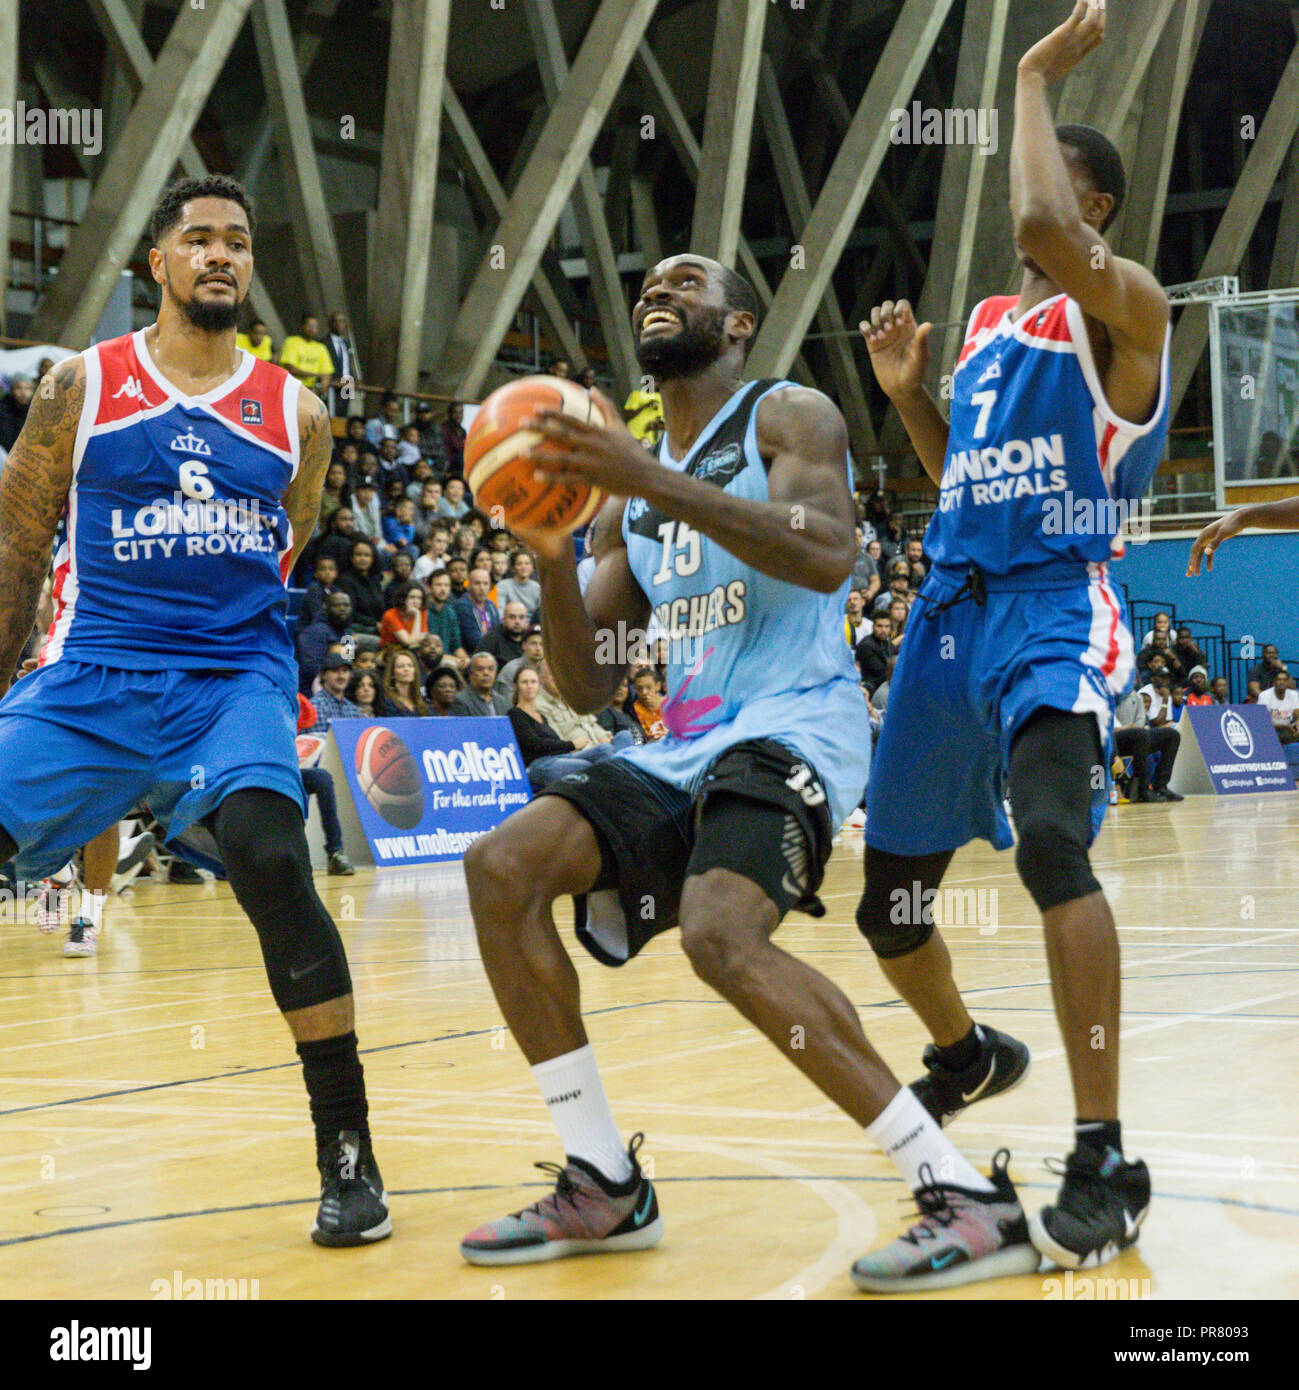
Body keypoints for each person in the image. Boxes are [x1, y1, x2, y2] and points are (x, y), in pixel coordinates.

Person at [456, 251, 1034, 1293]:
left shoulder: (788, 414)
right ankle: (603, 1179)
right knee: (499, 867)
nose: (656, 294)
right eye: (645, 289)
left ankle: (965, 1193)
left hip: (798, 729)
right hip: (680, 745)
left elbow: (824, 556)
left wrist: (649, 480)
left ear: (736, 326)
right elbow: (588, 683)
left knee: (721, 933)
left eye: (684, 284)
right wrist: (548, 555)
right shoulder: (629, 503)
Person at [0, 174, 388, 1245]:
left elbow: (289, 540)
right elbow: (19, 546)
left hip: (230, 682)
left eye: (239, 242)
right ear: (157, 264)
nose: (222, 255)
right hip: (93, 678)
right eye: (199, 239)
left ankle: (349, 1154)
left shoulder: (296, 412)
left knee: (272, 854)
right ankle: (183, 813)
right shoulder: (81, 386)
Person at [852, 4, 1168, 1273]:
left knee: (1049, 840)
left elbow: (1042, 224)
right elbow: (960, 472)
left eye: (1057, 187)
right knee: (889, 905)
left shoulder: (1127, 310)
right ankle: (968, 1052)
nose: (1028, 217)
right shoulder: (988, 326)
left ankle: (1102, 1150)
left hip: (1051, 606)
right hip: (949, 611)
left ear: (1093, 203)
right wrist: (907, 400)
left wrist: (1033, 70)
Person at [1112, 685, 1181, 803]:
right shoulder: (1105, 695)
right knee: (1141, 734)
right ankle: (1142, 789)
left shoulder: (1135, 696)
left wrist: (1133, 728)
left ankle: (1161, 786)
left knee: (1172, 735)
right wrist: (1127, 728)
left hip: (1135, 735)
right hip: (1112, 739)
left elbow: (1140, 721)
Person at [296, 591, 356, 694]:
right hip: (311, 692)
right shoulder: (315, 632)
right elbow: (310, 669)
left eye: (346, 605)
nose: (342, 608)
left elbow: (349, 661)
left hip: (341, 689)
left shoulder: (347, 633)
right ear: (326, 608)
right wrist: (334, 659)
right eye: (337, 605)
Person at [339, 538, 386, 636]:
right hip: (356, 630)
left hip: (377, 627)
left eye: (367, 555)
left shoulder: (375, 580)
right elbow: (350, 613)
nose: (363, 558)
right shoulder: (345, 581)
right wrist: (375, 624)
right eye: (358, 554)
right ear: (351, 558)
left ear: (372, 559)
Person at [278, 312, 334, 395]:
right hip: (290, 388)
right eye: (309, 325)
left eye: (314, 326)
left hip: (311, 391)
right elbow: (291, 368)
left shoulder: (321, 348)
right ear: (302, 326)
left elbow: (327, 372)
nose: (312, 328)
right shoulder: (291, 341)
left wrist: (323, 384)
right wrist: (315, 375)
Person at [453, 567, 500, 654]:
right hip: (472, 654)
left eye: (485, 584)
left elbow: (500, 631)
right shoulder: (462, 606)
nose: (482, 588)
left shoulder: (491, 605)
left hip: (492, 651)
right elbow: (474, 640)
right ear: (469, 586)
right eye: (477, 583)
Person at [450, 651, 509, 717]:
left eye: (490, 669)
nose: (486, 673)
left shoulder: (503, 701)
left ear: (496, 673)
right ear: (471, 674)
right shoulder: (461, 700)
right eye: (480, 669)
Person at [379, 581, 430, 652]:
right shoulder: (391, 615)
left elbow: (422, 637)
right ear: (403, 599)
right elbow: (408, 642)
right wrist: (417, 615)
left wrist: (417, 615)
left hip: (412, 649)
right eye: (412, 597)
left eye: (419, 598)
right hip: (390, 651)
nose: (416, 602)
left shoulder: (423, 612)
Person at [477, 601, 528, 668]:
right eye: (512, 617)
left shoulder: (529, 638)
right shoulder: (492, 638)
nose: (517, 621)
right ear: (503, 619)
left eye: (521, 617)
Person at [494, 550, 541, 620]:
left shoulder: (536, 587)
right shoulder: (503, 585)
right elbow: (500, 611)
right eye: (519, 564)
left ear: (532, 567)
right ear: (513, 567)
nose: (524, 567)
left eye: (527, 564)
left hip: (531, 626)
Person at [855, 612, 894, 694]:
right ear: (873, 627)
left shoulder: (887, 644)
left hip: (885, 685)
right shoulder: (866, 646)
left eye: (887, 626)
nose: (883, 630)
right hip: (872, 687)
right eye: (879, 626)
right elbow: (880, 672)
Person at [382, 649, 429, 716]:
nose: (406, 669)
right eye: (400, 666)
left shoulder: (421, 701)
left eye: (410, 666)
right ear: (392, 673)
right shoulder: (387, 702)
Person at [1258, 670, 1299, 743]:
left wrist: (1298, 724)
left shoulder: (1294, 695)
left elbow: (1297, 713)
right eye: (1279, 680)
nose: (1282, 682)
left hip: (1288, 729)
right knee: (1284, 735)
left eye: (1285, 680)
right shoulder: (1264, 696)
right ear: (1274, 682)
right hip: (1270, 730)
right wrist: (1285, 726)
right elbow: (1263, 722)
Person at [300, 554, 341, 628]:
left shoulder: (337, 591)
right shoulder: (314, 589)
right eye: (323, 569)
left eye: (331, 569)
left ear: (336, 573)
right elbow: (316, 616)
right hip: (310, 630)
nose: (327, 572)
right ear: (316, 573)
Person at [629, 664, 667, 741]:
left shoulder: (670, 705)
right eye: (639, 688)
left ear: (658, 686)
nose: (644, 692)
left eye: (649, 687)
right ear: (634, 689)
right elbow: (640, 740)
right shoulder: (633, 711)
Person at [0, 374, 34, 451]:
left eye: (27, 388)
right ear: (11, 390)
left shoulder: (35, 409)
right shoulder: (4, 410)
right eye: (19, 388)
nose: (23, 393)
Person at [441, 403, 466, 476]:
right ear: (449, 414)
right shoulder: (444, 429)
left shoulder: (462, 431)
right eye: (456, 413)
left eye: (461, 413)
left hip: (461, 465)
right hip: (449, 464)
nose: (459, 416)